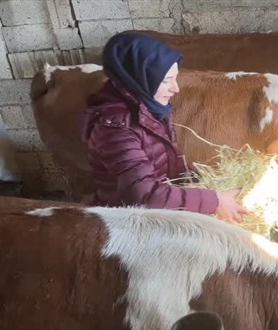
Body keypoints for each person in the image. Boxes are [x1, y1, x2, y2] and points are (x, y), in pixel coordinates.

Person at [81, 32, 249, 223]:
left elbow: (167, 168)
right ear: (139, 79)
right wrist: (214, 201)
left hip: (154, 213)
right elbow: (144, 196)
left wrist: (205, 181)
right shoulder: (115, 129)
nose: (175, 89)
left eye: (175, 78)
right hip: (127, 223)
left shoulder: (150, 109)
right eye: (166, 81)